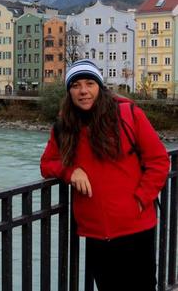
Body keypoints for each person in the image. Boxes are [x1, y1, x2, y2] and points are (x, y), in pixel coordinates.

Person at [40, 59, 170, 291]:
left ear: (100, 86)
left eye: (90, 83)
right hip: (96, 232)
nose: (83, 91)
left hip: (135, 227)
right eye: (76, 85)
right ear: (69, 91)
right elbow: (47, 163)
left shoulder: (128, 115)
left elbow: (159, 160)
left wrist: (140, 199)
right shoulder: (64, 125)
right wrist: (70, 172)